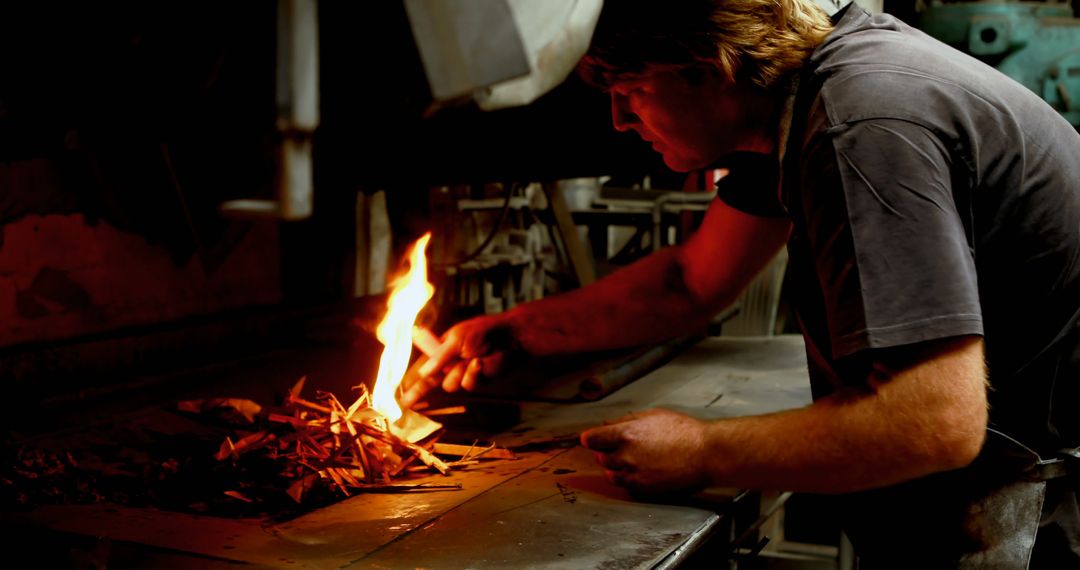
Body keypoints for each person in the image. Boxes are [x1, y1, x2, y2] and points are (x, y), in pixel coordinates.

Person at [401, 0, 1080, 566]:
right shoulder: (800, 100)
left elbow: (933, 422)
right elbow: (691, 282)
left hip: (1038, 509)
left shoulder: (862, 124)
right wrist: (517, 332)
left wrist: (702, 450)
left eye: (630, 89)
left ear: (709, 70)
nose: (618, 120)